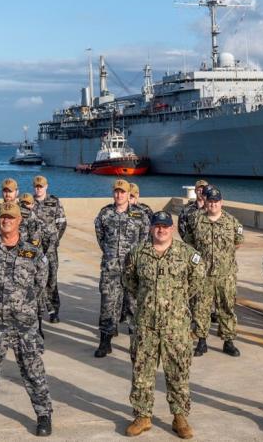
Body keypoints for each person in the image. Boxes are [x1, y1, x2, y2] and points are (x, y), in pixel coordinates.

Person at [0, 202, 53, 437]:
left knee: (33, 370)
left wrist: (22, 304)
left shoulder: (32, 251)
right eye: (3, 217)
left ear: (19, 221)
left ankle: (43, 414)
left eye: (11, 218)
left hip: (24, 324)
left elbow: (41, 282)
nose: (6, 221)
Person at [122, 211, 205, 439]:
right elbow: (129, 281)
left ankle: (179, 417)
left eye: (165, 226)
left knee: (178, 372)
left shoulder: (187, 254)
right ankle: (142, 415)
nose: (161, 229)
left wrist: (176, 302)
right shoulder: (138, 253)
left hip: (175, 326)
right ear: (151, 228)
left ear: (172, 228)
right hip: (145, 324)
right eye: (157, 225)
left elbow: (197, 282)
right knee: (142, 372)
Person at [185, 187, 244, 357]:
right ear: (206, 202)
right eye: (210, 201)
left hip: (226, 274)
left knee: (226, 307)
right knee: (201, 307)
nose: (213, 205)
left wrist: (223, 258)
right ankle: (202, 341)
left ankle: (228, 341)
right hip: (203, 274)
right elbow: (190, 241)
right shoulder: (195, 220)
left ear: (221, 202)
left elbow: (238, 242)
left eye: (216, 202)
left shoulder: (232, 222)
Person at [93, 179, 150, 357]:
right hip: (111, 268)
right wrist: (111, 255)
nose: (119, 195)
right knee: (108, 304)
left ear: (128, 194)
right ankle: (105, 341)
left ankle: (136, 344)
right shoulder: (105, 214)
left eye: (123, 192)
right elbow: (100, 237)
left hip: (132, 269)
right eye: (116, 192)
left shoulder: (140, 215)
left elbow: (145, 239)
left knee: (134, 304)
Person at [32, 175, 67, 323]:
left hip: (51, 249)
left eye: (41, 186)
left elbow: (62, 223)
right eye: (36, 186)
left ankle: (53, 311)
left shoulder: (54, 201)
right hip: (34, 250)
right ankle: (35, 310)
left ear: (46, 186)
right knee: (36, 280)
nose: (38, 189)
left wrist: (55, 241)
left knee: (51, 280)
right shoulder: (27, 202)